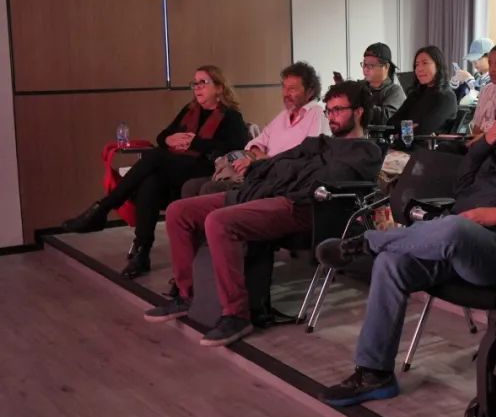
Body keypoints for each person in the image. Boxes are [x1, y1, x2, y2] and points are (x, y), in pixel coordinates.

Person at [318, 78, 496, 406]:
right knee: (391, 262)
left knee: (452, 227)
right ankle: (374, 374)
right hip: (455, 244)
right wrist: (485, 143)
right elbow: (463, 184)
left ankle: (367, 243)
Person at [142, 81, 383, 347]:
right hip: (267, 192)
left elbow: (321, 179)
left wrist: (287, 171)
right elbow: (276, 163)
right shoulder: (318, 143)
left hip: (304, 207)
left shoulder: (366, 151)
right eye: (329, 110)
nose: (332, 117)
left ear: (358, 112)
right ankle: (185, 295)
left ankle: (236, 314)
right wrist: (277, 170)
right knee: (179, 211)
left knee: (220, 222)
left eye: (338, 110)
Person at [63, 66, 249, 278]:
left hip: (205, 168)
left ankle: (103, 208)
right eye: (194, 83)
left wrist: (195, 143)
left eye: (203, 83)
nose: (197, 88)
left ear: (219, 88)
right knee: (150, 182)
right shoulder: (190, 111)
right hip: (176, 168)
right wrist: (169, 139)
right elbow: (162, 137)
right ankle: (141, 253)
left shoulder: (231, 116)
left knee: (154, 157)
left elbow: (236, 148)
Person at [185, 61, 330, 197]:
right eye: (284, 88)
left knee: (210, 188)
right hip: (257, 170)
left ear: (310, 91)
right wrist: (257, 157)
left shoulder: (317, 115)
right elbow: (255, 143)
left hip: (278, 180)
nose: (285, 94)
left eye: (292, 89)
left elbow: (309, 159)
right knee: (190, 186)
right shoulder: (284, 115)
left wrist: (264, 161)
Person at [388, 46, 458, 135]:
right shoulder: (416, 94)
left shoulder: (446, 97)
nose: (419, 69)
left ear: (438, 66)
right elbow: (391, 124)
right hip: (407, 142)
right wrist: (409, 128)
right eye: (417, 65)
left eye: (425, 63)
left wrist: (402, 131)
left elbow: (424, 130)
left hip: (430, 144)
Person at [357, 43, 406, 126]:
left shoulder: (395, 91)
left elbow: (386, 119)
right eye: (364, 64)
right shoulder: (359, 87)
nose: (365, 69)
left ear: (386, 67)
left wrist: (362, 103)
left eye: (371, 65)